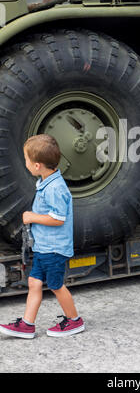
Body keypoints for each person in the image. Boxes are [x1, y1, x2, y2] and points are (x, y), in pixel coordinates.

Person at [0, 134, 84, 338]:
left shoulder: (55, 188)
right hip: (43, 247)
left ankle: (75, 321)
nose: (26, 163)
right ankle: (27, 325)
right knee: (34, 283)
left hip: (53, 249)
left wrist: (32, 217)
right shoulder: (47, 181)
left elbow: (58, 219)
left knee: (56, 285)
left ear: (37, 165)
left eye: (27, 160)